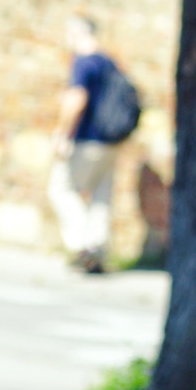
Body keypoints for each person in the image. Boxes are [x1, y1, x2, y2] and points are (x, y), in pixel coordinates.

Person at [47, 15, 122, 274]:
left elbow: (77, 98)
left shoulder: (83, 61)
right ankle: (98, 248)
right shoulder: (108, 61)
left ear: (78, 33)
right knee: (100, 195)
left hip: (87, 138)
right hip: (112, 140)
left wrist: (62, 133)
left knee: (61, 189)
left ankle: (83, 246)